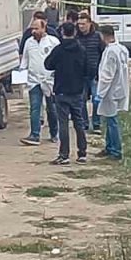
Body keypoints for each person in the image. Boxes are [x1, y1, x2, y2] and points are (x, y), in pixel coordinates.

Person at [45, 22, 89, 165]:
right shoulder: (81, 49)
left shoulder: (58, 50)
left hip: (61, 90)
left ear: (62, 32)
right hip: (77, 90)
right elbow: (88, 68)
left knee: (63, 123)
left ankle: (64, 155)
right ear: (75, 32)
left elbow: (48, 65)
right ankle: (82, 153)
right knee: (79, 122)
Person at [20, 19, 61, 146]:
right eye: (33, 28)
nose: (34, 31)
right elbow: (25, 61)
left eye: (36, 28)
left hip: (50, 81)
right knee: (35, 108)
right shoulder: (29, 42)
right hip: (34, 81)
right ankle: (35, 135)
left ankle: (54, 133)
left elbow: (59, 61)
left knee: (52, 109)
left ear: (44, 28)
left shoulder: (53, 42)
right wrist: (21, 75)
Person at [95, 25, 130, 160]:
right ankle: (109, 147)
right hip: (120, 88)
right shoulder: (122, 49)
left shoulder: (110, 52)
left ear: (103, 35)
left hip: (111, 90)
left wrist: (100, 92)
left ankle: (116, 150)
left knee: (111, 120)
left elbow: (107, 74)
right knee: (109, 119)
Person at [74, 12, 105, 133]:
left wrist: (101, 72)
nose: (81, 27)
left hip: (95, 74)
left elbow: (103, 54)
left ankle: (96, 124)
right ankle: (84, 124)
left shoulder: (97, 37)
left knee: (97, 99)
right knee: (81, 101)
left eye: (84, 24)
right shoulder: (76, 39)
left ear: (90, 24)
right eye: (79, 24)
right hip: (81, 76)